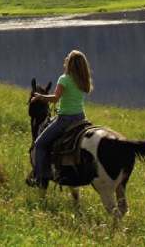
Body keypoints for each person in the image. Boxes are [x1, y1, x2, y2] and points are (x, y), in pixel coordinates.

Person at [27, 49, 94, 188]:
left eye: (67, 58)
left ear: (69, 62)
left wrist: (40, 97)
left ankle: (40, 177)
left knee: (39, 144)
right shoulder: (82, 80)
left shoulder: (64, 79)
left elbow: (55, 98)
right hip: (81, 119)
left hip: (65, 120)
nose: (65, 59)